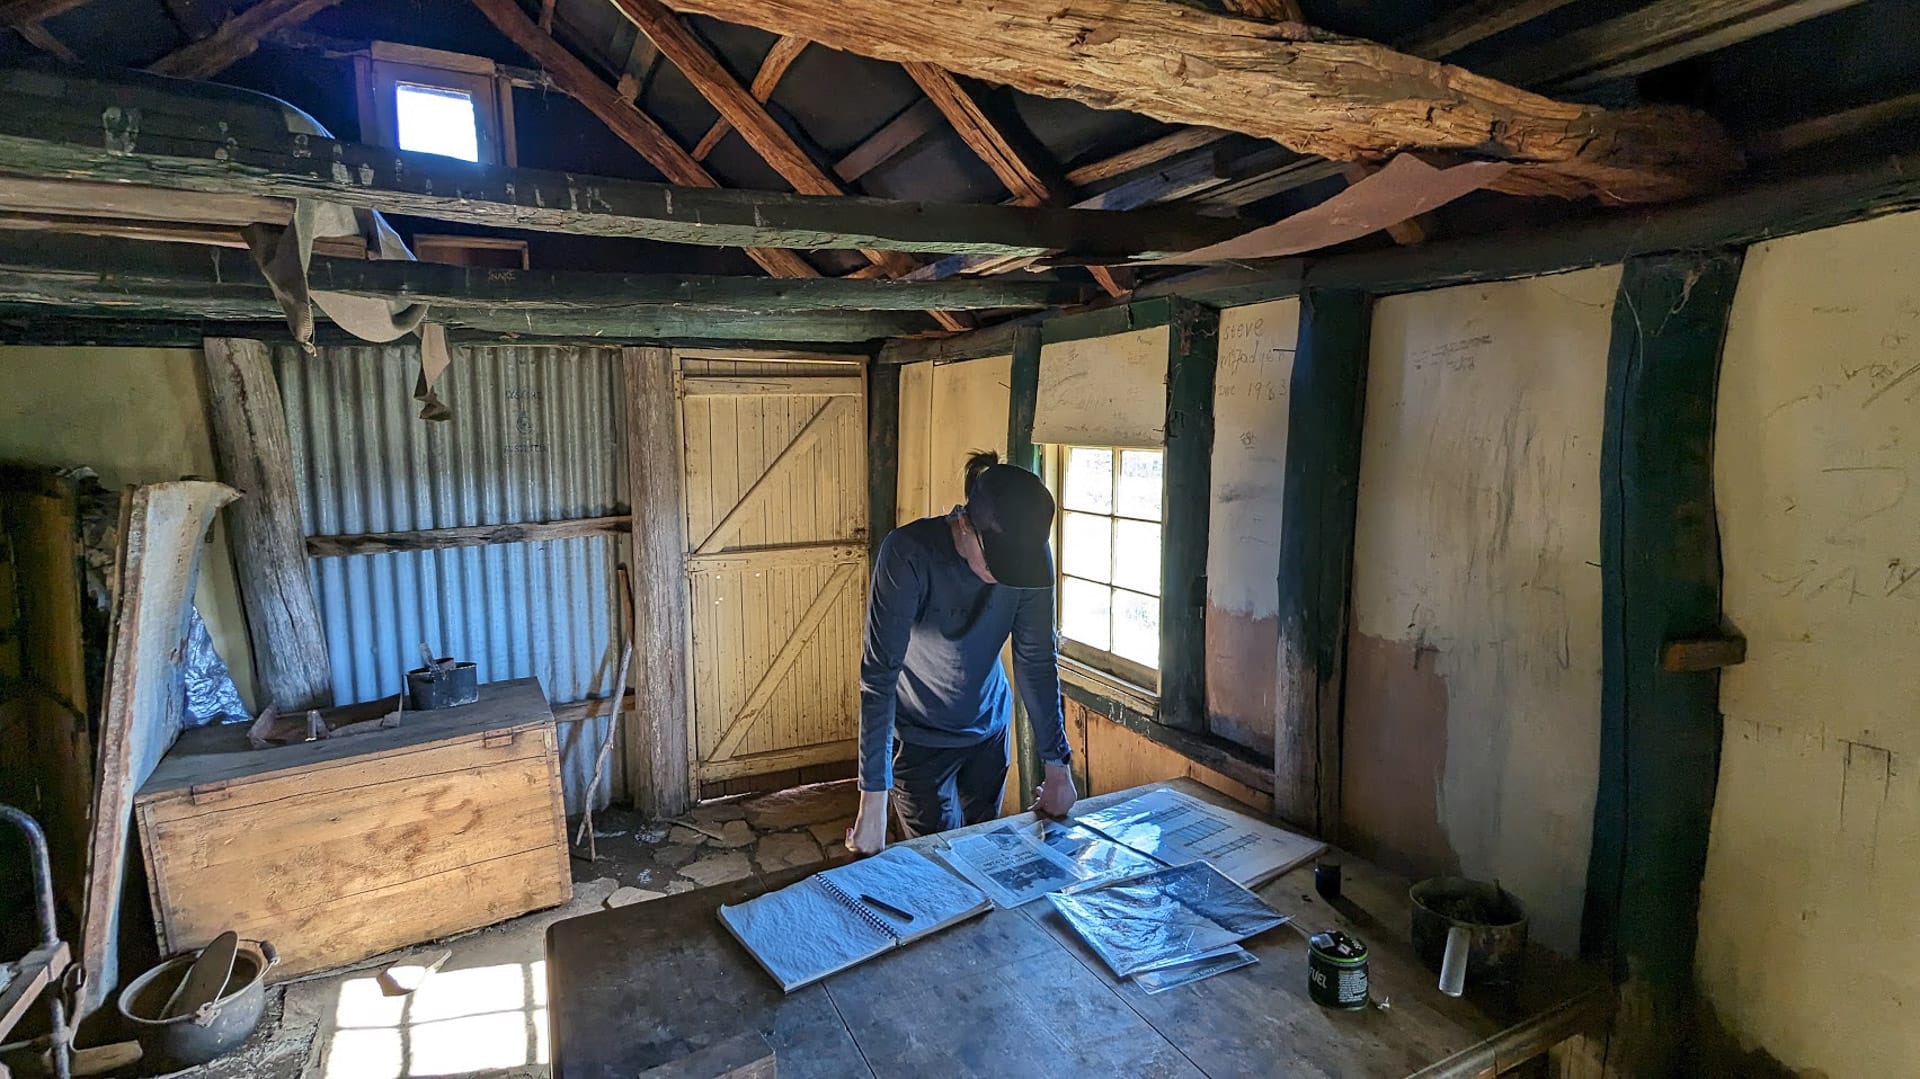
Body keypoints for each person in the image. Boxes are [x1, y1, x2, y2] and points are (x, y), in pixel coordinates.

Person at [847, 451, 1076, 854]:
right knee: (939, 866)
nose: (1003, 577)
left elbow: (1037, 660)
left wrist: (1058, 765)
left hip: (989, 729)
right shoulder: (907, 554)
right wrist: (873, 801)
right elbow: (879, 675)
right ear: (965, 525)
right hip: (919, 737)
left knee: (984, 853)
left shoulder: (1030, 554)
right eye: (996, 563)